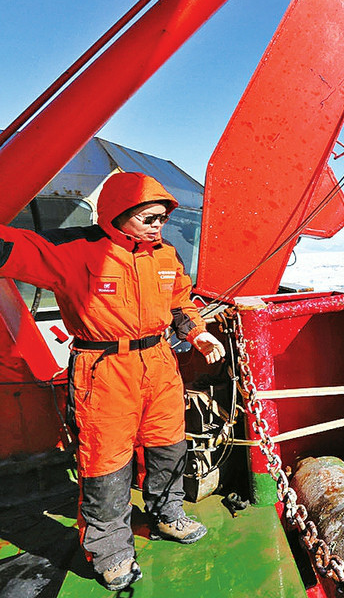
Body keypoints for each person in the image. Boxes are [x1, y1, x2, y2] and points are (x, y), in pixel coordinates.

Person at [0, 171, 225, 591]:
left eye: (162, 217)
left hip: (159, 363)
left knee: (168, 445)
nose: (158, 224)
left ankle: (166, 514)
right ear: (118, 213)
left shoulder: (167, 255)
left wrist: (198, 332)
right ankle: (111, 552)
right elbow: (14, 250)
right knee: (106, 463)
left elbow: (180, 302)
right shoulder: (75, 250)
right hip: (104, 368)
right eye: (149, 216)